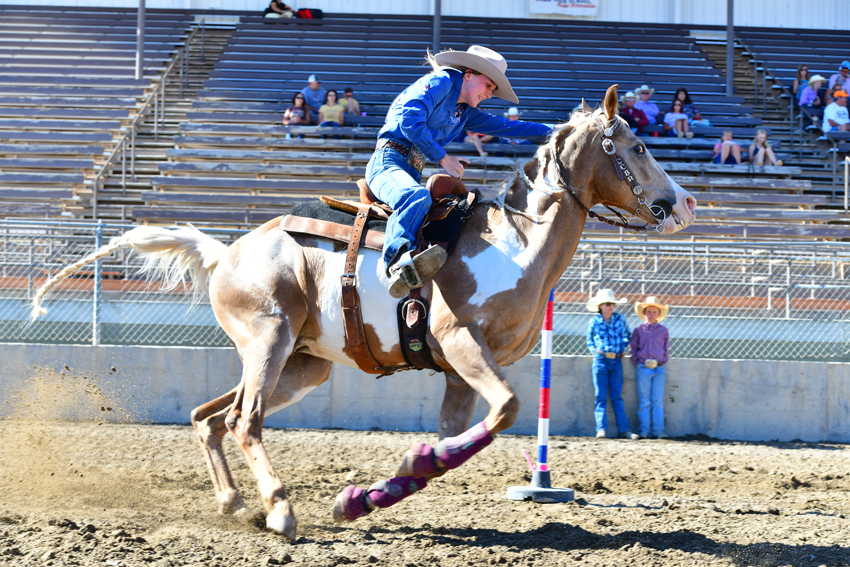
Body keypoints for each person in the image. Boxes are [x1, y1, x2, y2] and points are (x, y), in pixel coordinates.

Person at [367, 45, 555, 298]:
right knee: (416, 197)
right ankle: (396, 262)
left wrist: (562, 130)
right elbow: (409, 121)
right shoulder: (442, 81)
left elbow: (508, 126)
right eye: (488, 85)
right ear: (468, 74)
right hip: (387, 162)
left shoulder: (464, 112)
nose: (491, 94)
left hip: (410, 169)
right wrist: (443, 158)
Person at [585, 289, 638, 440]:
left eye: (612, 304)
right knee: (600, 396)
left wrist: (622, 348)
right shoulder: (594, 321)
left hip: (615, 360)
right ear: (601, 306)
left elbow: (627, 335)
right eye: (608, 304)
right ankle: (601, 429)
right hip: (601, 359)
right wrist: (594, 352)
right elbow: (589, 339)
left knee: (616, 396)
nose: (611, 307)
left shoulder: (619, 319)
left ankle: (624, 430)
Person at [629, 296, 670, 440]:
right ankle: (644, 431)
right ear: (644, 313)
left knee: (657, 401)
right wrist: (639, 363)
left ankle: (659, 431)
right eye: (648, 311)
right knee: (645, 401)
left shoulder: (663, 331)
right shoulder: (639, 330)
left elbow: (666, 349)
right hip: (644, 367)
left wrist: (662, 360)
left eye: (654, 311)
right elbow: (633, 349)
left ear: (658, 314)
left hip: (659, 368)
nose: (651, 314)